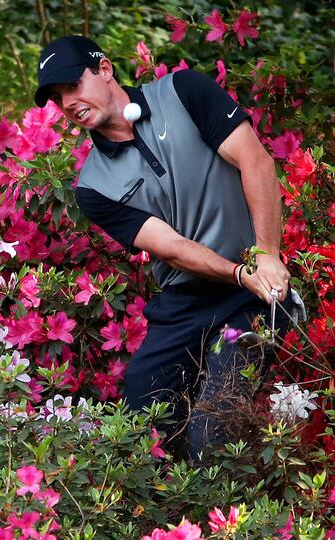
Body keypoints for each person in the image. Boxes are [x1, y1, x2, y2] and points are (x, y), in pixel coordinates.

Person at [33, 35, 296, 459]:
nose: (66, 103)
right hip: (185, 301)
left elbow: (256, 162)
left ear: (104, 70)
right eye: (56, 97)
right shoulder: (93, 186)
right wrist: (237, 273)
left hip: (252, 295)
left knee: (213, 429)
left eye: (73, 85)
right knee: (143, 417)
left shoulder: (184, 91)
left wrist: (266, 254)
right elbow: (170, 247)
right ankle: (175, 521)